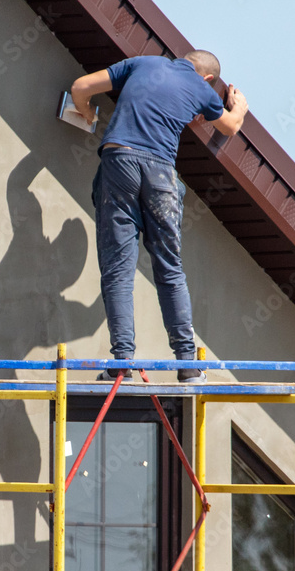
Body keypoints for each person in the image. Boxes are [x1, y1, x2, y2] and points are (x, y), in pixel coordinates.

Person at [70, 50, 248, 384]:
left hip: (119, 161)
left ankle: (122, 361)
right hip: (160, 174)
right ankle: (187, 363)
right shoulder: (203, 90)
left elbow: (80, 86)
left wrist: (85, 113)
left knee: (117, 270)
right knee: (169, 267)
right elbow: (231, 126)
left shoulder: (144, 62)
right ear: (208, 77)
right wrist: (238, 105)